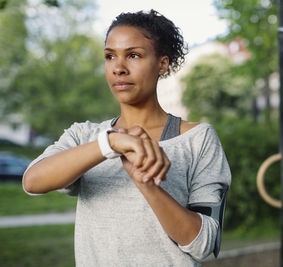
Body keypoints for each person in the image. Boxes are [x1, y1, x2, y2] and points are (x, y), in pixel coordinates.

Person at [22, 9, 231, 267]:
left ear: (162, 64)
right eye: (110, 56)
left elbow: (203, 244)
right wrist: (109, 144)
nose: (118, 68)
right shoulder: (85, 136)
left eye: (133, 55)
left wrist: (147, 184)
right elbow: (32, 181)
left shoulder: (198, 139)